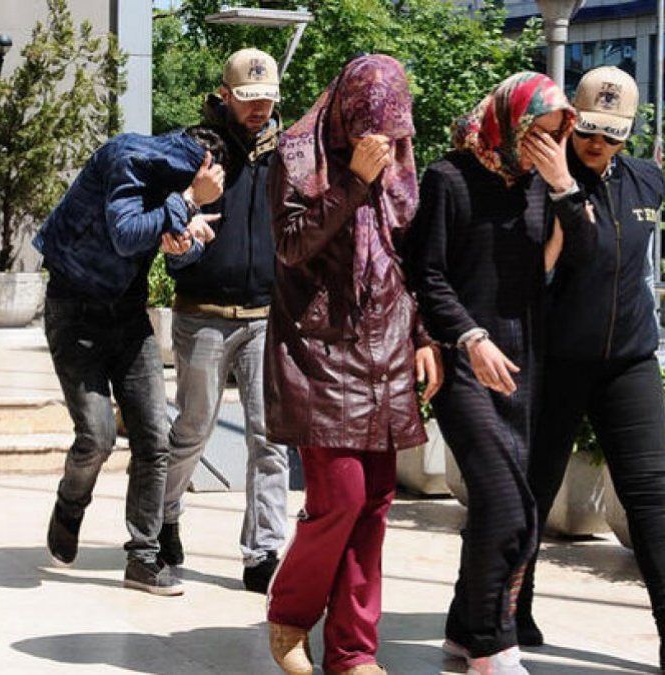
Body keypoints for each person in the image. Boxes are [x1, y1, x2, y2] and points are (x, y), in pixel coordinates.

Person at [520, 66, 665, 672]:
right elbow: (540, 267)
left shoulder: (647, 179)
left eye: (612, 134)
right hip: (558, 360)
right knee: (533, 490)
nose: (597, 144)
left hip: (630, 360)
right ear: (572, 121)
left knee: (649, 495)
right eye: (588, 130)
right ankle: (510, 608)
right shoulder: (538, 181)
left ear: (629, 133)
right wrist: (561, 186)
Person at [263, 55, 441, 675]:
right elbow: (291, 245)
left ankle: (353, 651)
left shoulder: (401, 164)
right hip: (320, 351)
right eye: (370, 130)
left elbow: (408, 258)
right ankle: (290, 616)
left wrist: (424, 336)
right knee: (340, 497)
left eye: (391, 132)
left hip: (388, 347)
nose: (382, 143)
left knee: (375, 504)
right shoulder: (295, 158)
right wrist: (354, 182)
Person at [406, 71, 577, 675]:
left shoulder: (540, 187)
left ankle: (463, 631)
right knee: (508, 507)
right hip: (463, 363)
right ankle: (492, 644)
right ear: (510, 121)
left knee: (501, 508)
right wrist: (469, 337)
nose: (545, 147)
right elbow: (426, 275)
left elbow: (565, 261)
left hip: (523, 364)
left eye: (556, 136)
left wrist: (562, 187)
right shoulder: (448, 178)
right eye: (538, 133)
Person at [35, 125, 226, 597]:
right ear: (196, 167)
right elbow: (125, 234)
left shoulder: (175, 188)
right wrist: (187, 202)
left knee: (154, 438)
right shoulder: (128, 159)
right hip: (74, 310)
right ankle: (70, 504)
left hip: (128, 315)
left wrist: (185, 242)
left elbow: (175, 255)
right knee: (97, 436)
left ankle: (143, 556)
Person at [157, 48, 288, 594]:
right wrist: (182, 230)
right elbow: (168, 223)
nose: (259, 110)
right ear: (225, 95)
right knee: (192, 429)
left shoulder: (288, 154)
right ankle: (163, 519)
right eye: (249, 99)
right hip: (203, 314)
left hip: (266, 317)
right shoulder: (195, 149)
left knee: (270, 440)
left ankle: (263, 552)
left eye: (267, 99)